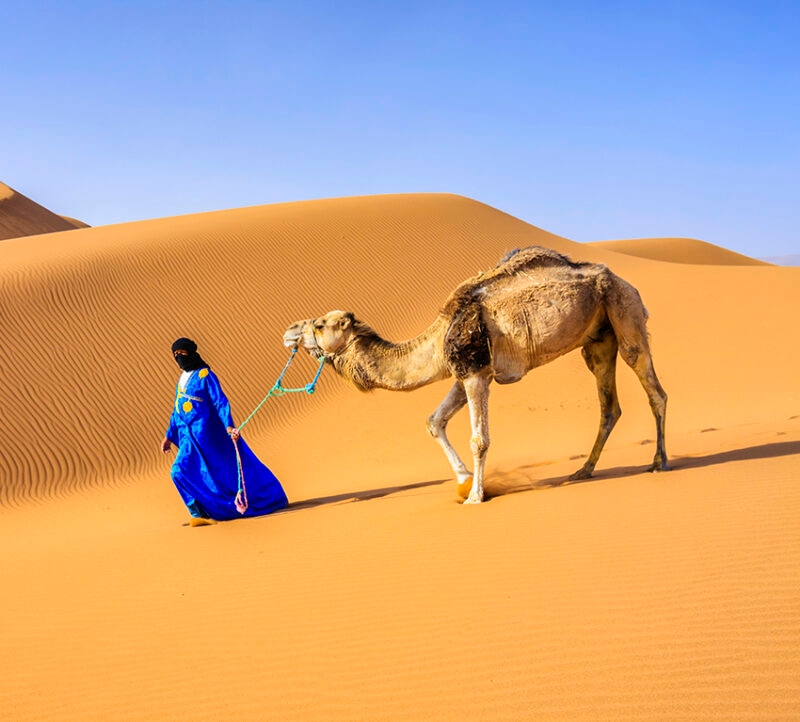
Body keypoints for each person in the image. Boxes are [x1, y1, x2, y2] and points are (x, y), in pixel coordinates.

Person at [160, 337, 288, 525]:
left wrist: (228, 424)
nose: (179, 357)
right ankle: (198, 512)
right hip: (188, 437)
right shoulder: (182, 379)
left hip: (207, 435)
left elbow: (220, 401)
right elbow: (177, 410)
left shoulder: (205, 375)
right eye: (175, 354)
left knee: (220, 473)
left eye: (182, 353)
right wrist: (168, 436)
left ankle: (213, 510)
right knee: (178, 472)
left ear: (191, 352)